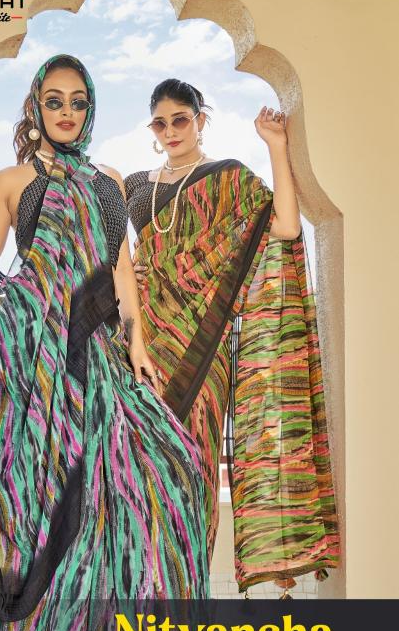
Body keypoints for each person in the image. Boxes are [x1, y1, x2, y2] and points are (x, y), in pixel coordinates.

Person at [0, 55, 213, 631]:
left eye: (78, 102)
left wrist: (138, 346)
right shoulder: (10, 183)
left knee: (173, 473)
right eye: (54, 101)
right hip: (45, 370)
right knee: (70, 508)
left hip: (105, 361)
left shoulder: (106, 181)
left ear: (89, 109)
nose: (66, 112)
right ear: (35, 108)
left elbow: (120, 270)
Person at [124, 78, 341, 600]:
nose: (171, 130)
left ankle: (185, 595)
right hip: (141, 342)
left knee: (194, 467)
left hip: (205, 346)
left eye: (181, 119)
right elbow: (124, 261)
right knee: (137, 467)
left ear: (201, 119)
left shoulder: (229, 178)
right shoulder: (133, 186)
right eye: (160, 123)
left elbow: (285, 226)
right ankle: (141, 591)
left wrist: (276, 146)